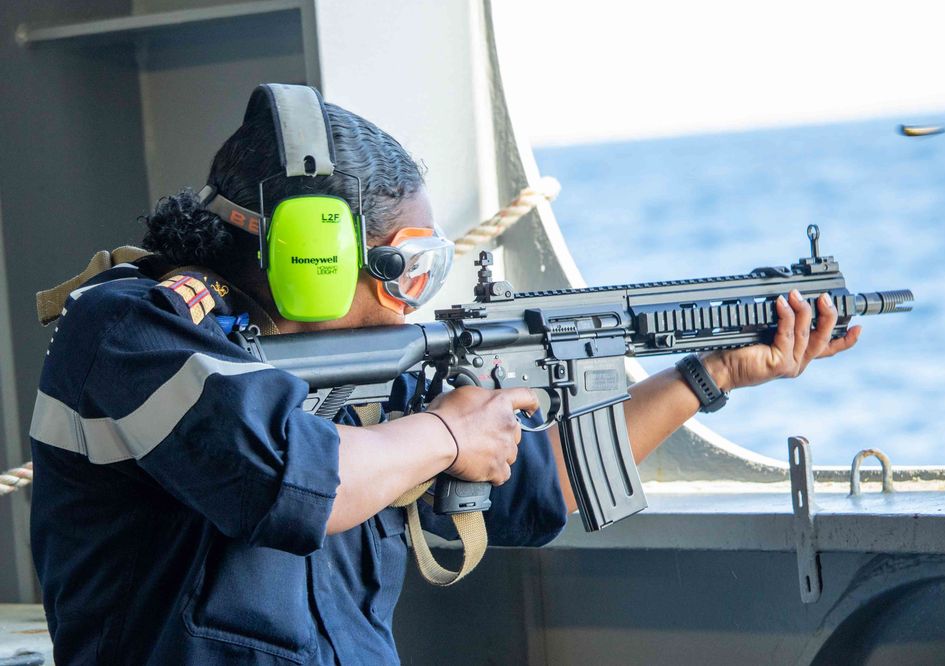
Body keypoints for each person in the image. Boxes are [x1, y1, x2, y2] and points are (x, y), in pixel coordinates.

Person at [28, 85, 860, 665]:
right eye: (400, 265)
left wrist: (708, 375)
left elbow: (547, 484)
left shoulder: (369, 371)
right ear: (313, 254)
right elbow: (291, 485)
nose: (412, 297)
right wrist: (445, 431)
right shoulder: (134, 327)